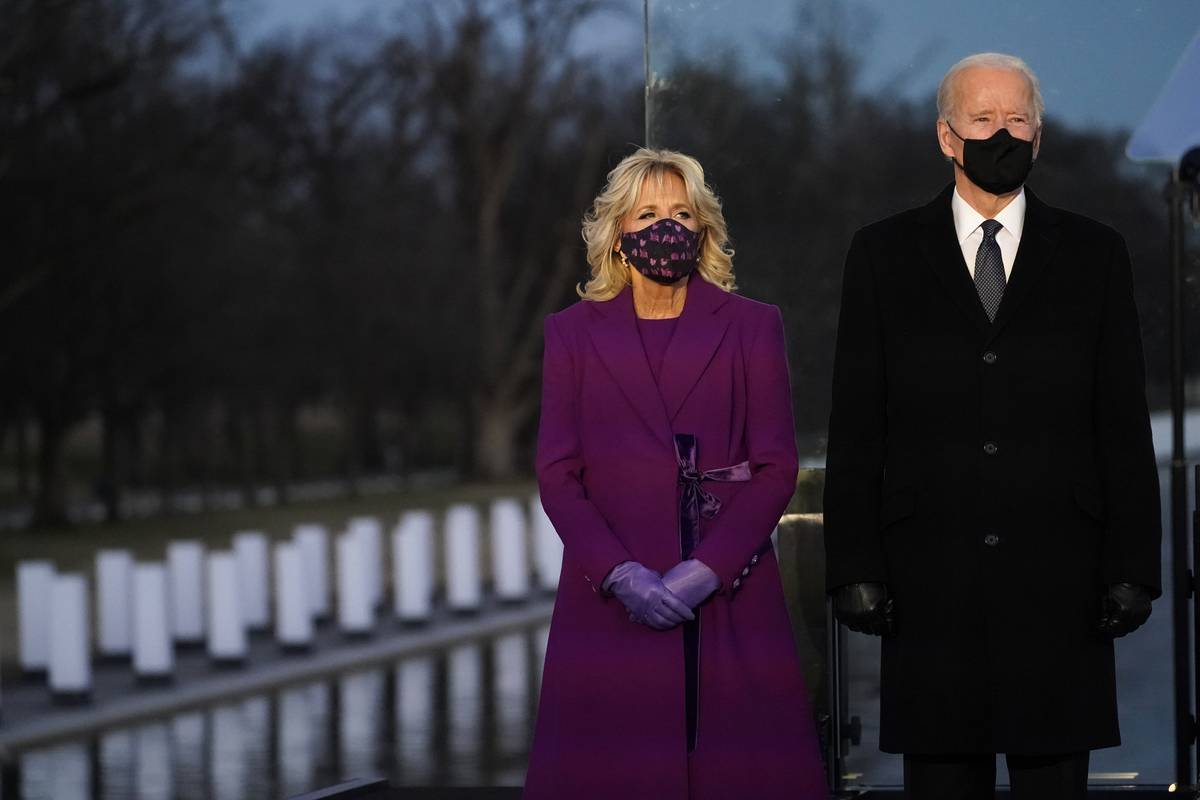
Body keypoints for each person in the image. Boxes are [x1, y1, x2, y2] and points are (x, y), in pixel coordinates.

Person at [823, 52, 1162, 799]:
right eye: (983, 119)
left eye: (1016, 119)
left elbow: (1122, 422)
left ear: (1038, 137)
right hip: (928, 581)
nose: (1001, 133)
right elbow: (855, 426)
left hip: (1060, 581)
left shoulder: (1095, 254)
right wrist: (853, 566)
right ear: (947, 137)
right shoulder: (882, 254)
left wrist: (1134, 564)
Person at [523, 148, 827, 799]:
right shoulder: (570, 334)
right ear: (619, 231)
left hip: (728, 595)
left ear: (704, 228)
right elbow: (556, 473)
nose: (668, 227)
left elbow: (776, 467)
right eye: (650, 213)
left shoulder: (753, 326)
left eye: (682, 213)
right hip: (610, 601)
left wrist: (704, 572)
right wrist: (618, 573)